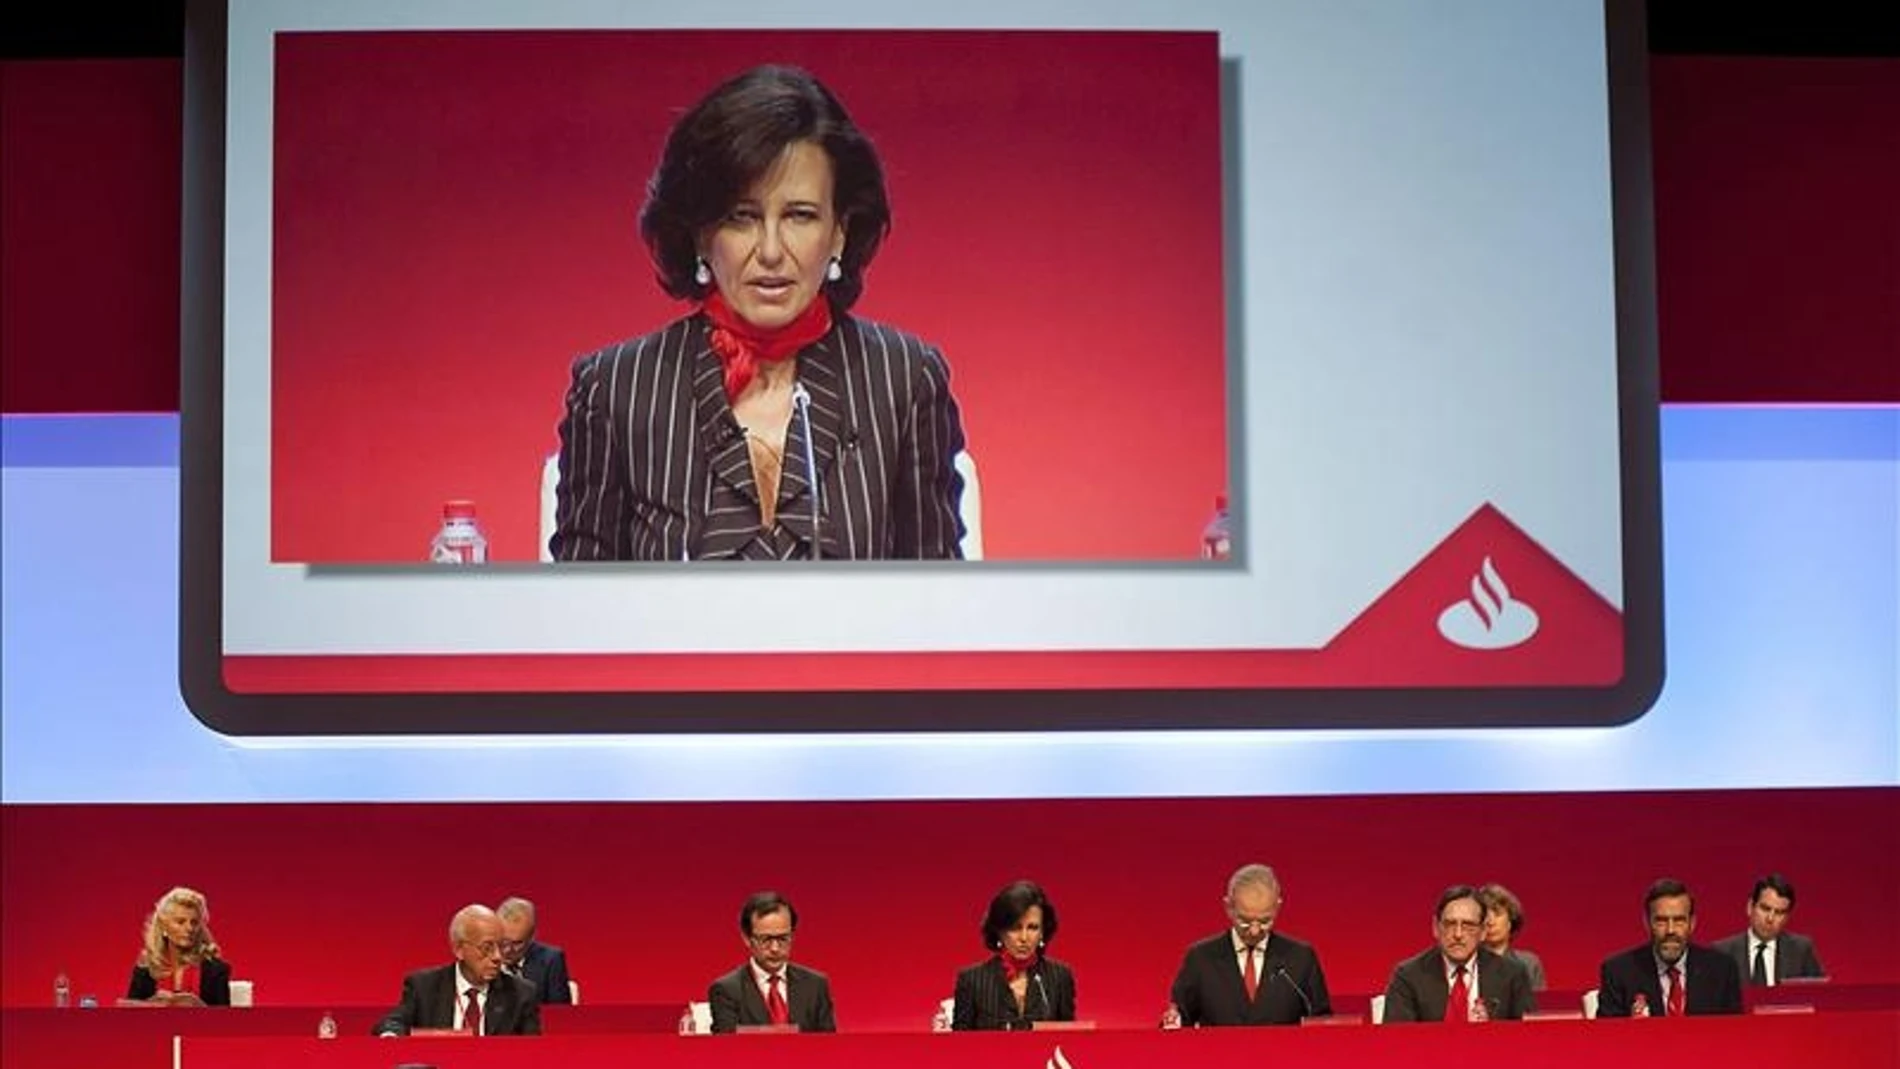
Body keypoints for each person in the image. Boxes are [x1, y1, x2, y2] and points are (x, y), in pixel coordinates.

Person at [552, 64, 967, 561]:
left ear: (839, 232)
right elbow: (581, 615)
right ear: (702, 234)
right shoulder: (617, 389)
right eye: (742, 217)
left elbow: (936, 604)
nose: (771, 251)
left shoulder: (904, 381)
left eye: (800, 215)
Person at [1163, 864, 1332, 1027]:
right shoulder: (1200, 958)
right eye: (1245, 921)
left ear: (1277, 907)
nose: (1254, 931)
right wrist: (1172, 1023)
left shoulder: (1300, 958)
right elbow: (1179, 1021)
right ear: (1228, 907)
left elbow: (1321, 1023)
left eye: (1265, 921)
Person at [373, 905, 542, 1036]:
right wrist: (391, 1037)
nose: (498, 957)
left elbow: (532, 1052)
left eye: (501, 946)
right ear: (459, 949)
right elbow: (393, 1022)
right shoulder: (424, 987)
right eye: (487, 948)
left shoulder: (521, 994)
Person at [1382, 884, 1535, 1022]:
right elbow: (1397, 1042)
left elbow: (1528, 1038)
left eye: (1469, 925)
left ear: (1483, 932)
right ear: (1436, 927)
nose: (1458, 934)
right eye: (1450, 924)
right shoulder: (1408, 976)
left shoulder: (1512, 974)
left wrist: (1492, 1031)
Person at [1596, 878, 1744, 1017]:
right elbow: (1608, 1038)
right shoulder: (1618, 973)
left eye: (1679, 920)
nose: (1670, 930)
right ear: (1647, 923)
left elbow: (1735, 1033)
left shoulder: (1722, 970)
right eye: (1661, 921)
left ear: (1692, 923)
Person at [952, 880, 1077, 1030]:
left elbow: (1069, 1039)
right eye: (1015, 928)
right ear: (999, 931)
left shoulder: (1060, 977)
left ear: (1042, 932)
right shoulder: (972, 980)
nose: (1024, 938)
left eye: (1032, 927)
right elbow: (959, 1045)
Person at [707, 891, 837, 1032]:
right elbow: (725, 1048)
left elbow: (828, 1045)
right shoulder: (726, 990)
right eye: (766, 940)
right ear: (747, 938)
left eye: (783, 939)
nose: (775, 948)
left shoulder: (815, 985)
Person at [1711, 873, 1827, 986]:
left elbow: (1819, 997)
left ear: (1786, 918)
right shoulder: (1722, 953)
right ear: (1750, 907)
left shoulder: (1801, 950)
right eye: (1765, 908)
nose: (1770, 918)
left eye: (1779, 912)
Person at [125, 886, 231, 1007]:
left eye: (194, 922)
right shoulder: (145, 969)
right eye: (180, 922)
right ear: (164, 927)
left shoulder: (216, 969)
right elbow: (128, 1016)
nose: (189, 928)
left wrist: (200, 1007)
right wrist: (151, 1005)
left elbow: (226, 1022)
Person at [495, 896, 572, 1005]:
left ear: (532, 937)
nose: (507, 950)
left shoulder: (551, 961)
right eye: (503, 941)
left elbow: (560, 1015)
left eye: (517, 943)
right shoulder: (480, 959)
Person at [1476, 883, 1547, 991]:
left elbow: (1537, 1006)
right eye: (1485, 916)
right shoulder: (1467, 964)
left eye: (1497, 914)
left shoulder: (1529, 964)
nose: (1490, 922)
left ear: (1511, 921)